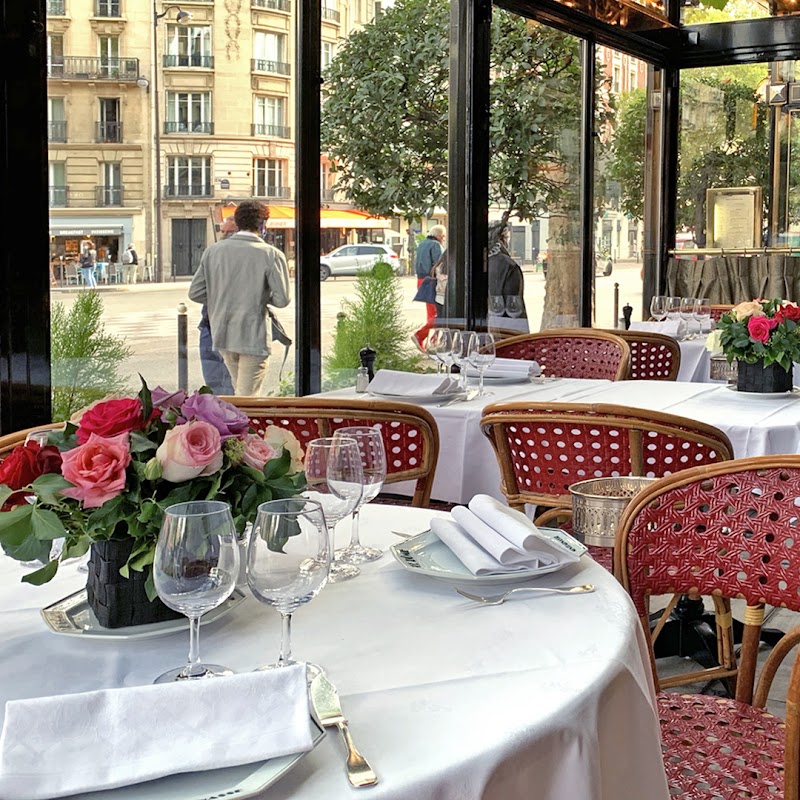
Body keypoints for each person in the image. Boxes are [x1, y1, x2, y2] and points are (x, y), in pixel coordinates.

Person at [188, 200, 290, 396]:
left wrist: (223, 295)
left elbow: (195, 292)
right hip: (252, 335)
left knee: (238, 392)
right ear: (262, 224)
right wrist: (256, 295)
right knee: (248, 398)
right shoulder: (271, 254)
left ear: (238, 222)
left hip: (223, 332)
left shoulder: (213, 252)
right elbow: (282, 299)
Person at [198, 217, 236, 395]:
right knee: (217, 384)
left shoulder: (213, 254)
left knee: (227, 385)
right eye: (224, 232)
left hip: (222, 327)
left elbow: (197, 292)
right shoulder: (213, 255)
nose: (225, 235)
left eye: (229, 232)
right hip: (211, 325)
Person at [488, 220, 529, 334]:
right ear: (502, 238)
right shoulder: (508, 265)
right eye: (507, 237)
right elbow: (515, 309)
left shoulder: (465, 260)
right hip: (502, 333)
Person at [411, 224, 446, 350]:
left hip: (422, 280)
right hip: (432, 281)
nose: (444, 239)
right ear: (438, 236)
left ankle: (431, 341)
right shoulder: (435, 245)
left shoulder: (422, 244)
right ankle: (423, 336)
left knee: (431, 313)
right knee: (438, 314)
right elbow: (441, 264)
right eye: (443, 236)